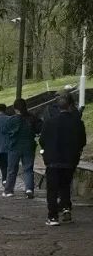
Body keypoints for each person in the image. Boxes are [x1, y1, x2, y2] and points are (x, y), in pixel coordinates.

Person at [39, 92, 87, 225]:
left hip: (53, 160)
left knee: (52, 189)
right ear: (71, 106)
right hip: (70, 160)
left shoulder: (49, 122)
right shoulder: (77, 123)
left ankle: (53, 216)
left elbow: (42, 140)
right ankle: (66, 208)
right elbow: (82, 141)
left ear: (58, 107)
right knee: (65, 185)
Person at [2, 98, 40, 198]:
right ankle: (29, 189)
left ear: (15, 108)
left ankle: (9, 190)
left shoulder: (12, 119)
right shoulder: (32, 118)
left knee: (11, 169)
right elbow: (39, 128)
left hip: (14, 146)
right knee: (28, 169)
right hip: (29, 145)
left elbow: (5, 131)